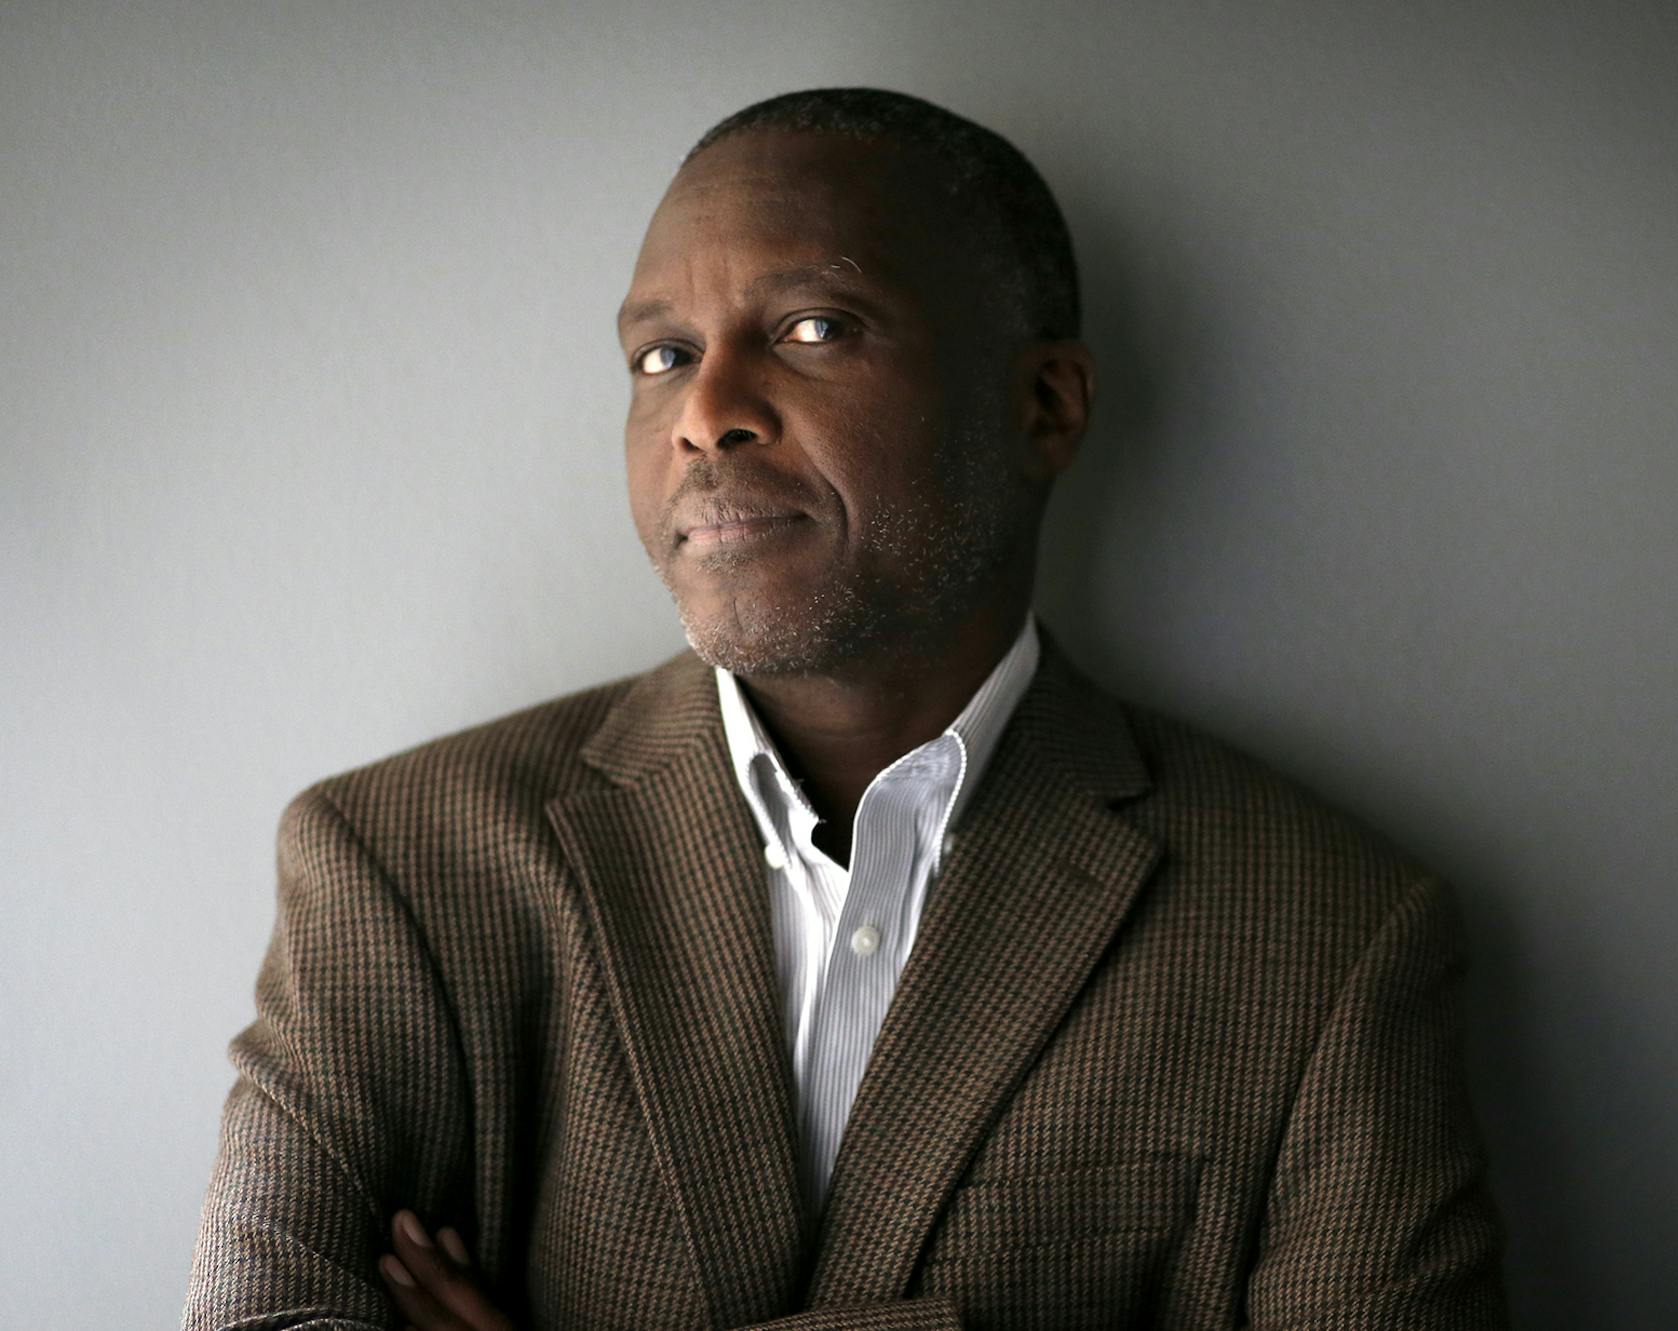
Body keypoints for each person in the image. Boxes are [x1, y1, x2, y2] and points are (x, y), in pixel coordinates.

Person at [183, 87, 1508, 1330]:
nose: (704, 412)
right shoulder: (399, 862)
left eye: (814, 329)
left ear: (1045, 407)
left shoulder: (1328, 936)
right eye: (659, 354)